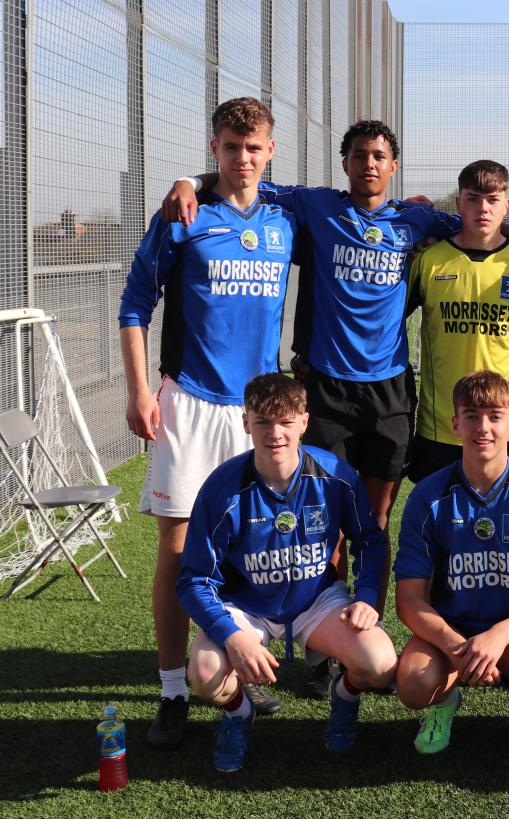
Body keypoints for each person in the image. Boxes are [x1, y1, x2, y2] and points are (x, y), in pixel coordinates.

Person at [162, 122, 509, 628]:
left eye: (379, 156)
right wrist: (189, 182)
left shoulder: (416, 219)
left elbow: (483, 226)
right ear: (345, 163)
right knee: (326, 520)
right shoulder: (315, 205)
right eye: (359, 155)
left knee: (376, 519)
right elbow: (243, 179)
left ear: (393, 166)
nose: (369, 164)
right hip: (325, 385)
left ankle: (366, 622)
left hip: (388, 389)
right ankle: (325, 633)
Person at [119, 97, 293, 747]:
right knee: (176, 549)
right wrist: (140, 390)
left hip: (256, 411)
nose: (242, 157)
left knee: (249, 547)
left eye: (253, 147)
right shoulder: (183, 214)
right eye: (230, 146)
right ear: (213, 146)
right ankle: (171, 691)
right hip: (188, 402)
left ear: (270, 150)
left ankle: (240, 669)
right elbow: (134, 305)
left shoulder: (285, 215)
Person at [177, 373, 397, 772]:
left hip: (316, 601)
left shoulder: (334, 474)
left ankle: (344, 694)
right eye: (262, 421)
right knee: (205, 673)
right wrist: (231, 636)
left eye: (285, 421)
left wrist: (366, 596)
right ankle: (238, 712)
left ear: (304, 422)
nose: (274, 433)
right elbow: (194, 581)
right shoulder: (222, 488)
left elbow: (370, 540)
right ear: (246, 423)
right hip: (246, 607)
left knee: (380, 664)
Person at [393, 371, 509, 756]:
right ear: (455, 424)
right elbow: (409, 600)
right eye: (472, 416)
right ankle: (444, 701)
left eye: (494, 416)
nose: (483, 427)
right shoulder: (428, 496)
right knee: (412, 684)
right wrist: (460, 647)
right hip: (451, 633)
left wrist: (498, 637)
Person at [406, 159, 509, 483]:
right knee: (439, 512)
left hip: (508, 425)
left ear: (506, 205)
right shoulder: (428, 260)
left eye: (492, 199)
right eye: (473, 198)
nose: (482, 208)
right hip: (442, 426)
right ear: (458, 203)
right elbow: (391, 319)